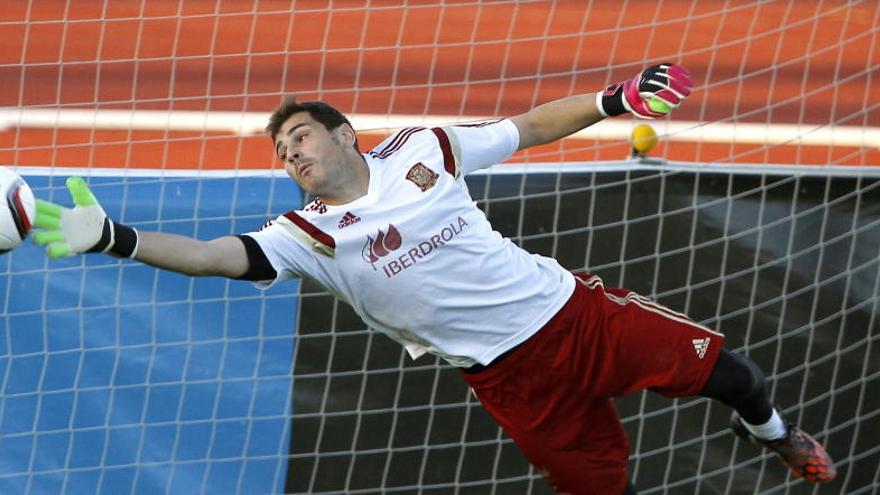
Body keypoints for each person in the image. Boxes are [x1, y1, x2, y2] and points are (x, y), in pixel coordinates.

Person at [31, 64, 835, 494]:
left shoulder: (426, 148)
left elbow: (529, 128)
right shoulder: (304, 233)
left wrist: (612, 98)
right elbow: (215, 256)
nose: (293, 155)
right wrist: (114, 237)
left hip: (573, 314)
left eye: (302, 137)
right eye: (282, 152)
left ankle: (772, 436)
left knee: (735, 374)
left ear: (345, 134)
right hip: (509, 379)